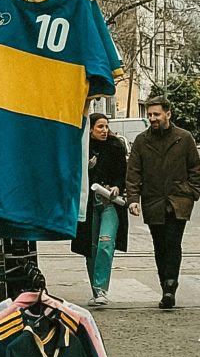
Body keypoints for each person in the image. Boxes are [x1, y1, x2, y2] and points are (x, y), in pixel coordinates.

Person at [125, 96, 200, 308]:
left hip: (178, 200)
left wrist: (192, 192)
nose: (152, 118)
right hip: (153, 200)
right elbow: (134, 172)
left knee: (173, 243)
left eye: (156, 114)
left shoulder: (184, 138)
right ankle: (164, 285)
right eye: (149, 114)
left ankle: (170, 287)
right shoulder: (142, 140)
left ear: (168, 113)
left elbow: (195, 168)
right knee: (160, 245)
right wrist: (133, 198)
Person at [71, 113, 128, 306]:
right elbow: (73, 174)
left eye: (106, 126)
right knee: (91, 247)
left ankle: (101, 288)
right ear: (91, 129)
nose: (104, 131)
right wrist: (87, 167)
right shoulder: (82, 147)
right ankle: (97, 292)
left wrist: (117, 187)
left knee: (106, 242)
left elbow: (123, 173)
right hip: (87, 203)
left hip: (110, 202)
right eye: (100, 127)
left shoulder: (116, 146)